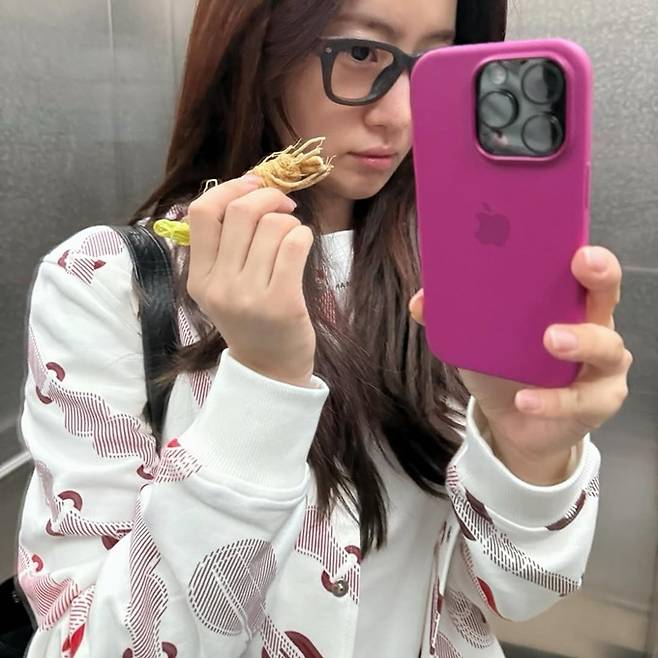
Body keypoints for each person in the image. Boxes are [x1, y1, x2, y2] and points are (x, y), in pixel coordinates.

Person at [16, 0, 633, 656]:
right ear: (256, 50)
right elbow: (80, 644)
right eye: (362, 52)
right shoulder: (108, 282)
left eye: (431, 64)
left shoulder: (454, 270)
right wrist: (262, 387)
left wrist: (529, 458)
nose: (401, 115)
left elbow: (513, 596)